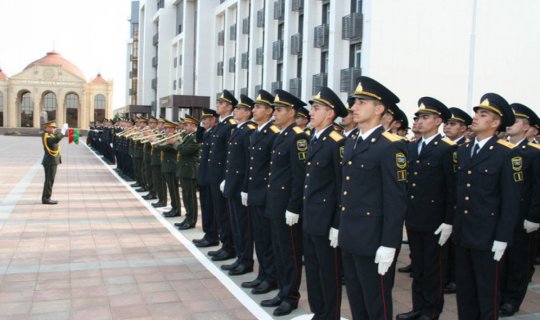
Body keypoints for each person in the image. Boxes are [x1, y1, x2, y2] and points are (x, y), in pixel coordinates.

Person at [339, 76, 407, 319]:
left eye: (361, 102)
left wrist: (389, 243)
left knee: (376, 302)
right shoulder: (351, 141)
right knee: (356, 299)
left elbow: (396, 201)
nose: (353, 107)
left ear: (379, 109)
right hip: (351, 234)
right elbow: (346, 190)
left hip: (374, 238)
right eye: (354, 102)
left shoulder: (390, 146)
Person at [453, 93, 523, 319]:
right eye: (476, 113)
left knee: (487, 293)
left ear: (495, 123)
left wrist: (503, 237)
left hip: (488, 235)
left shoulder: (507, 154)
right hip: (464, 233)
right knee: (464, 292)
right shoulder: (463, 150)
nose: (475, 117)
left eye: (483, 115)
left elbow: (511, 201)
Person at [397, 97, 456, 320]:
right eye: (418, 117)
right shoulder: (412, 148)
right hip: (414, 218)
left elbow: (453, 190)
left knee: (434, 269)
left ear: (438, 121)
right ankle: (417, 308)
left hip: (436, 221)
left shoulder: (447, 149)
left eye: (425, 117)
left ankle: (431, 311)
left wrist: (449, 221)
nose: (419, 121)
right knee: (419, 268)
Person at [260, 89, 308, 317]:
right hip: (275, 203)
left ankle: (291, 297)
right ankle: (282, 290)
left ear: (291, 112)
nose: (275, 114)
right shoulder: (281, 135)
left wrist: (294, 207)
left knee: (290, 253)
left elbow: (300, 177)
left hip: (286, 205)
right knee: (279, 250)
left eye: (279, 110)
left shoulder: (298, 137)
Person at [303, 87, 348, 320]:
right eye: (312, 107)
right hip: (311, 216)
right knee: (312, 268)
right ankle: (318, 311)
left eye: (317, 108)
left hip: (327, 219)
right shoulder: (315, 137)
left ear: (330, 114)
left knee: (328, 272)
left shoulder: (337, 142)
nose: (311, 112)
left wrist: (337, 224)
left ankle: (329, 315)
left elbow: (342, 187)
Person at [499, 103, 540, 317]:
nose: (510, 124)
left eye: (515, 121)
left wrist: (534, 217)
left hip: (522, 216)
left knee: (518, 261)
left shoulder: (533, 153)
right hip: (502, 215)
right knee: (501, 259)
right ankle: (499, 296)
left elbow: (537, 188)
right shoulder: (501, 148)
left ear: (526, 127)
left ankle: (512, 300)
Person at [241, 90, 279, 294]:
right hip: (255, 193)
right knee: (260, 238)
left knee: (267, 239)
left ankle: (270, 277)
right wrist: (246, 189)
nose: (254, 110)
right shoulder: (256, 132)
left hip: (266, 194)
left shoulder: (273, 133)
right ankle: (263, 274)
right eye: (254, 107)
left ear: (269, 111)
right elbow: (251, 165)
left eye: (258, 107)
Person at [221, 95, 257, 276]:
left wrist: (245, 187)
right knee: (236, 223)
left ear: (247, 112)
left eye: (239, 109)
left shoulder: (249, 130)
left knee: (244, 226)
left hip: (240, 184)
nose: (235, 111)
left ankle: (246, 260)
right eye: (235, 109)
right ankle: (240, 258)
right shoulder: (237, 129)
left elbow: (248, 163)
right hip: (232, 184)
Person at [205, 90, 238, 261]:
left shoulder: (231, 125)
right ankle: (224, 244)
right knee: (219, 213)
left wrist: (226, 178)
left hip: (221, 177)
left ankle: (229, 247)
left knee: (225, 214)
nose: (217, 105)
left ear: (229, 107)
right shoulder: (219, 125)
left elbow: (229, 155)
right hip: (214, 176)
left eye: (220, 103)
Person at [193, 109, 220, 247]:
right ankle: (208, 233)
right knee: (205, 207)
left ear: (213, 119)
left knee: (210, 208)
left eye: (206, 119)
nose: (203, 121)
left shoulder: (215, 132)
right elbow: (198, 138)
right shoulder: (208, 132)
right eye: (203, 119)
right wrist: (200, 126)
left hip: (211, 176)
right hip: (204, 175)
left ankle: (212, 235)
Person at [173, 115, 201, 230]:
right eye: (184, 124)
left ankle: (191, 220)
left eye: (187, 124)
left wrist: (175, 143)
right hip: (184, 169)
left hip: (189, 170)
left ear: (194, 126)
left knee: (190, 197)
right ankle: (188, 217)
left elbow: (186, 150)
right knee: (185, 195)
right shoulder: (188, 136)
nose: (184, 126)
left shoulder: (195, 137)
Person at [41, 121, 68, 205]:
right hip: (50, 161)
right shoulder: (46, 136)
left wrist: (61, 133)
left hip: (51, 160)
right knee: (49, 180)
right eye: (53, 128)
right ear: (48, 128)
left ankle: (46, 197)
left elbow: (56, 137)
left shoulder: (50, 135)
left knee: (49, 180)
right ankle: (46, 198)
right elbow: (55, 140)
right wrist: (63, 131)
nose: (54, 130)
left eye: (54, 128)